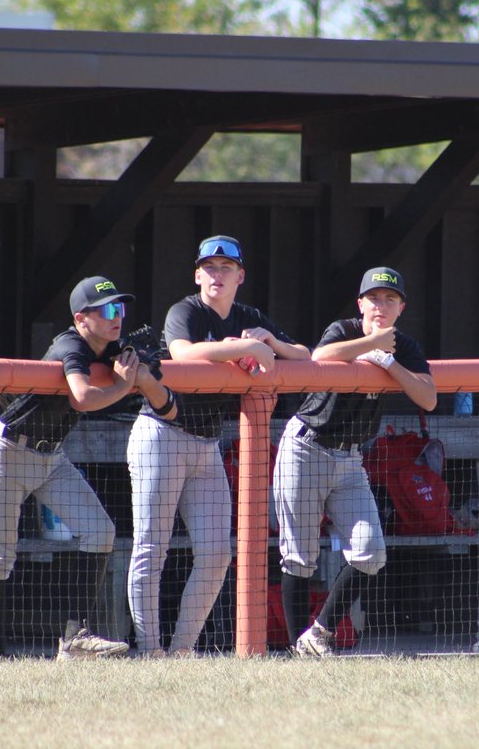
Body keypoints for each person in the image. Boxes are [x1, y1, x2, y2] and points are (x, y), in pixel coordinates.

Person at [126, 235, 310, 656]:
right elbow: (182, 353)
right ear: (197, 274)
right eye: (209, 267)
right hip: (161, 434)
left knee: (215, 553)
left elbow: (304, 354)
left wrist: (271, 343)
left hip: (206, 443)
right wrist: (244, 347)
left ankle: (181, 651)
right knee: (152, 548)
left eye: (226, 267)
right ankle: (150, 650)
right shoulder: (186, 310)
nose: (217, 274)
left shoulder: (248, 316)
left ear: (240, 276)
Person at [0, 276, 176, 660]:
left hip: (51, 456)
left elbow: (169, 408)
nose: (117, 317)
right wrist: (125, 386)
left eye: (120, 309)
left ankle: (75, 638)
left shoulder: (114, 348)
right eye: (108, 310)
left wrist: (143, 375)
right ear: (81, 318)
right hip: (9, 450)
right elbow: (81, 397)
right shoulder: (69, 343)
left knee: (100, 531)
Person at [274, 267, 437, 657]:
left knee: (371, 552)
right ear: (361, 303)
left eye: (390, 299)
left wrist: (389, 361)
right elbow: (320, 357)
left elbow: (428, 398)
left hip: (350, 459)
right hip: (306, 446)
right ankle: (301, 652)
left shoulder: (404, 345)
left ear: (401, 307)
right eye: (374, 298)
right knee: (299, 556)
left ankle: (318, 634)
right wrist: (371, 344)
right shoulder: (344, 329)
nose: (381, 306)